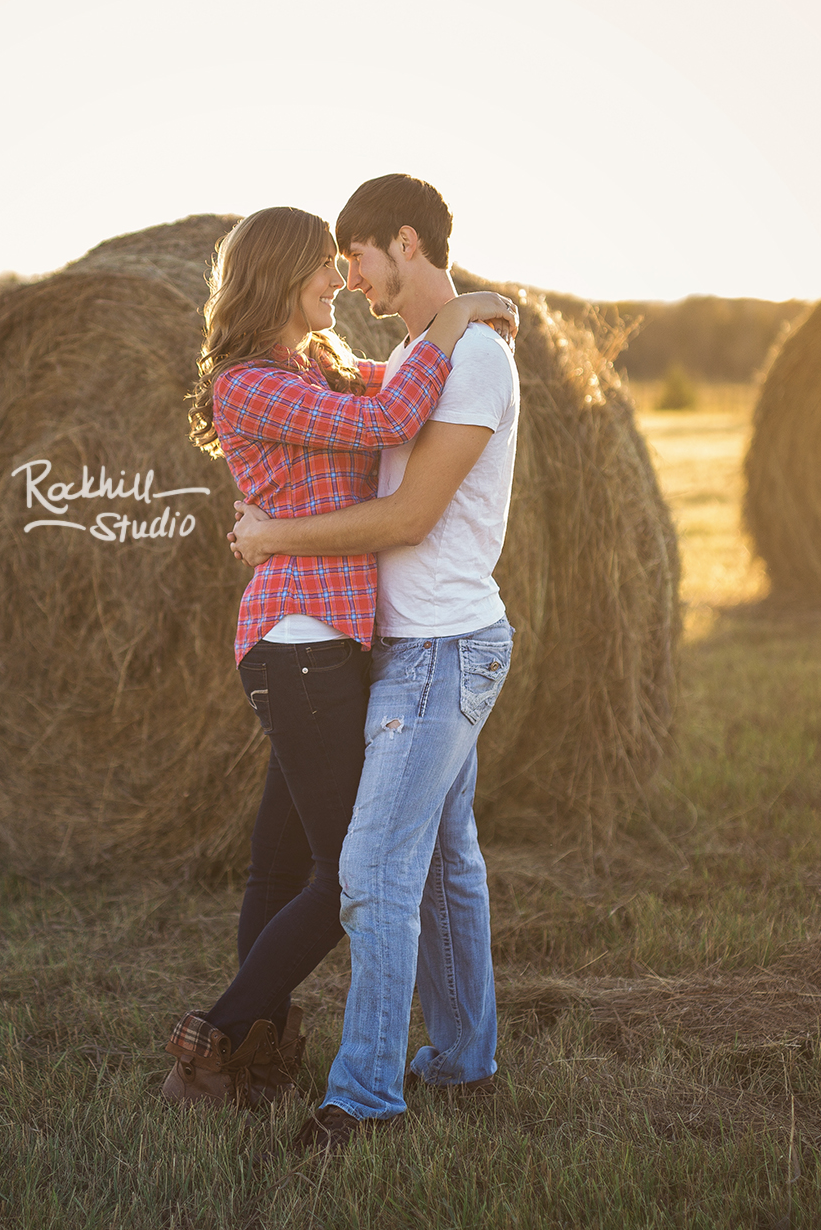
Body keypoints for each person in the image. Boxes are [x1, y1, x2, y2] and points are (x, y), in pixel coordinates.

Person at [160, 205, 516, 1107]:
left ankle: (256, 1055)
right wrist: (460, 311)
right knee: (346, 871)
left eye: (342, 264)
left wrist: (458, 308)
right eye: (323, 268)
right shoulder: (248, 384)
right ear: (281, 277)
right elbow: (394, 411)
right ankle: (220, 1030)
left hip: (328, 644)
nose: (338, 282)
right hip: (301, 641)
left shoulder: (312, 364)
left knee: (277, 861)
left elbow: (391, 381)